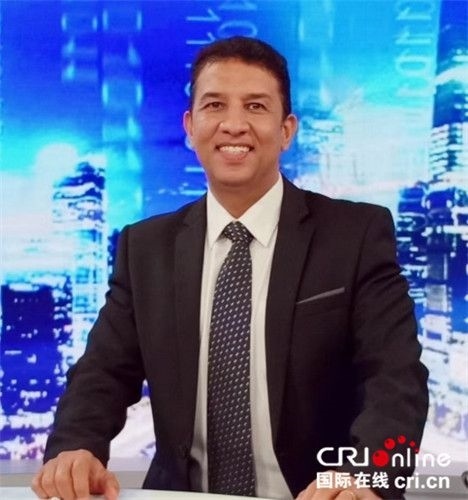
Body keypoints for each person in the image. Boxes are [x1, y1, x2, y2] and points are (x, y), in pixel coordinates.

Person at [32, 36, 428, 500]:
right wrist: (75, 448)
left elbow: (395, 377)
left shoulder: (355, 234)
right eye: (215, 105)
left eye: (256, 106)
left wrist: (367, 475)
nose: (234, 125)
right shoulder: (145, 247)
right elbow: (103, 371)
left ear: (286, 130)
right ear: (190, 126)